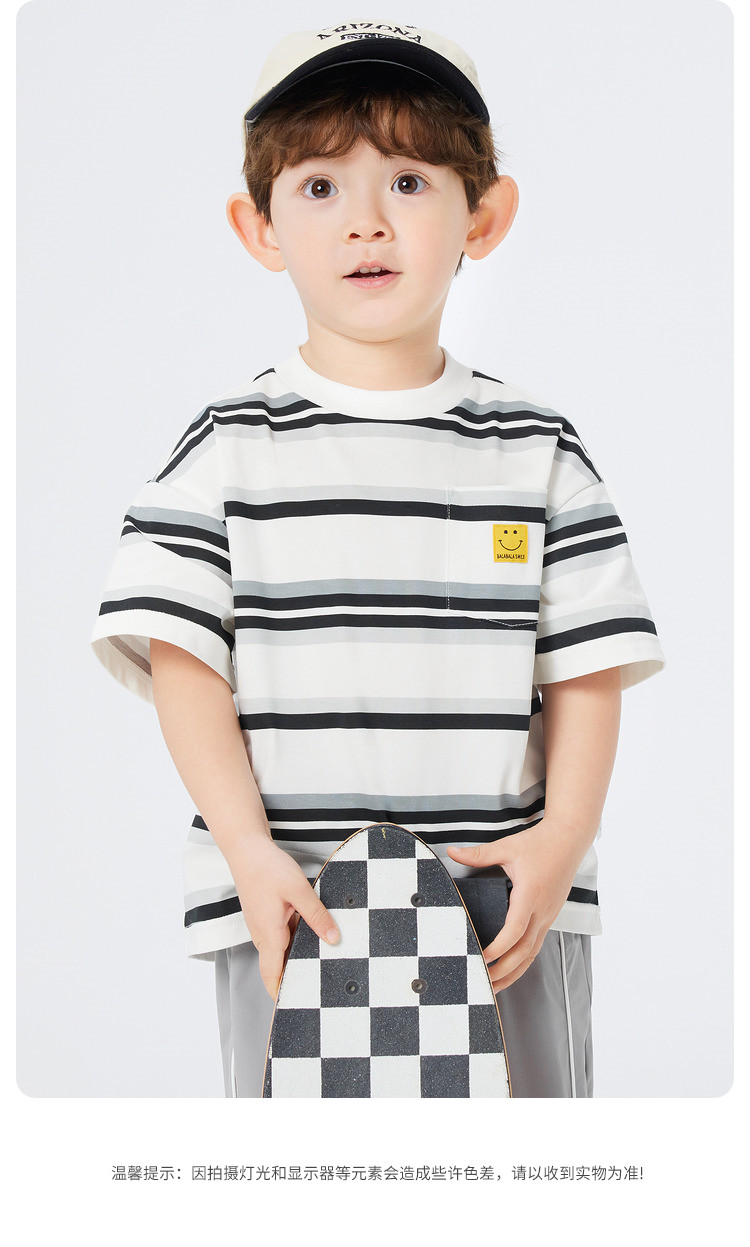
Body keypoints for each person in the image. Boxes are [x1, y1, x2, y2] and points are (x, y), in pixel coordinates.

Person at [91, 18, 664, 1098]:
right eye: (319, 187)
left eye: (408, 181)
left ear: (482, 215)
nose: (366, 222)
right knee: (301, 1167)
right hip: (292, 896)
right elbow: (182, 659)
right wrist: (247, 849)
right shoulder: (224, 448)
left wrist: (562, 839)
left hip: (505, 900)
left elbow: (586, 667)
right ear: (259, 226)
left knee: (527, 1157)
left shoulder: (536, 450)